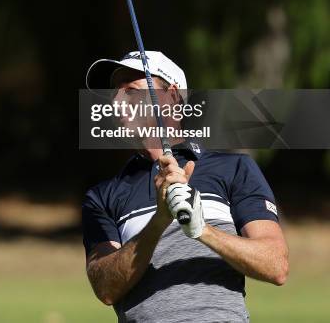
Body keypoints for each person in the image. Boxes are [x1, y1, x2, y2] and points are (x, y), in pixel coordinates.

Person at [83, 51, 289, 322]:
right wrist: (159, 221)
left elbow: (276, 266)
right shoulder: (103, 196)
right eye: (115, 93)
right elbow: (105, 289)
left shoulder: (234, 168)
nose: (116, 101)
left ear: (171, 96)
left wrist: (202, 230)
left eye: (131, 90)